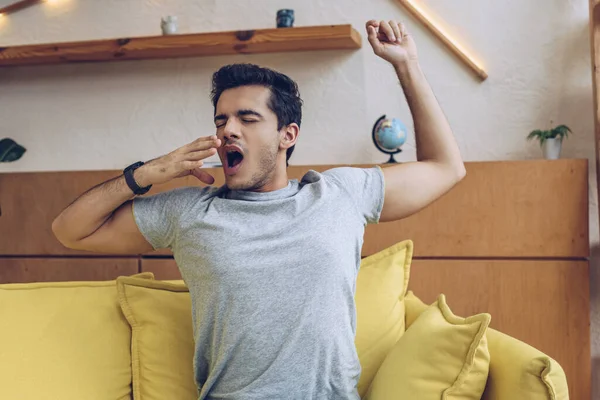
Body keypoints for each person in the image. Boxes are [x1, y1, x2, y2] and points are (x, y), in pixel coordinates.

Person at [52, 19, 465, 400]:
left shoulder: (339, 193)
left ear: (288, 134)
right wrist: (148, 172)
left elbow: (446, 169)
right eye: (221, 121)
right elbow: (71, 230)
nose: (227, 129)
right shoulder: (191, 212)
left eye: (247, 119)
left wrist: (407, 64)